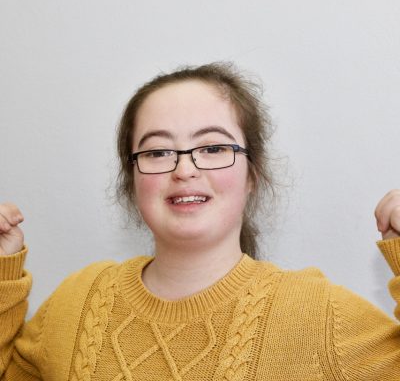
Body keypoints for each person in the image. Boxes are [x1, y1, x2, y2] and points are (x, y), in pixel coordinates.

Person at [0, 63, 400, 380]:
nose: (184, 169)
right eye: (157, 152)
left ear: (252, 176)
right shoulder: (75, 300)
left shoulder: (318, 316)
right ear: (132, 179)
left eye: (212, 147)